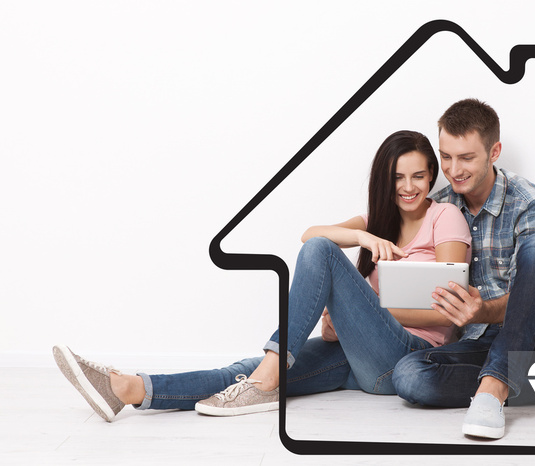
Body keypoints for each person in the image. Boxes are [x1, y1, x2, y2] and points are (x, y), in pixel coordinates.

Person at [53, 129, 472, 422]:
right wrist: (362, 235)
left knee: (322, 257)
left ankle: (271, 372)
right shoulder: (377, 219)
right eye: (398, 176)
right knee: (246, 373)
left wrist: (355, 312)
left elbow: (449, 312)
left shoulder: (445, 216)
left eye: (418, 175)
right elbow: (310, 234)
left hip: (408, 357)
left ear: (431, 176)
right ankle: (130, 389)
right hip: (358, 357)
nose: (408, 186)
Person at [391, 98, 535, 439]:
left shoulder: (531, 202)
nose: (453, 169)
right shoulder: (439, 206)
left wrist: (480, 311)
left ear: (494, 151)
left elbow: (533, 297)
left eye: (466, 157)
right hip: (481, 341)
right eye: (446, 156)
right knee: (409, 375)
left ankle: (494, 388)